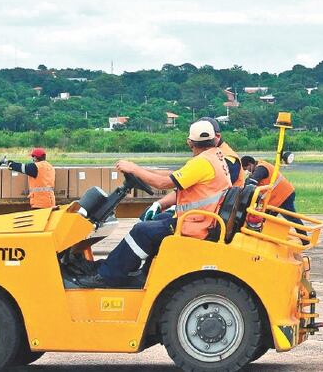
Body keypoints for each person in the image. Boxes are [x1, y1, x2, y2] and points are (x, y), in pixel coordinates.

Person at [77, 119, 231, 288]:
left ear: (190, 143)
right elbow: (174, 175)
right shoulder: (214, 157)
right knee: (153, 223)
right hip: (200, 219)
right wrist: (140, 170)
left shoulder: (202, 162)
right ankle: (123, 270)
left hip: (195, 224)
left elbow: (163, 183)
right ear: (213, 139)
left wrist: (135, 170)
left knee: (141, 231)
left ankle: (108, 277)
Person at [141, 117, 244, 221]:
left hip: (214, 215)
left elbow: (168, 183)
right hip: (209, 211)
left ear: (217, 136)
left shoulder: (227, 159)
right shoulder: (212, 155)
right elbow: (182, 177)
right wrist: (159, 203)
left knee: (146, 226)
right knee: (154, 216)